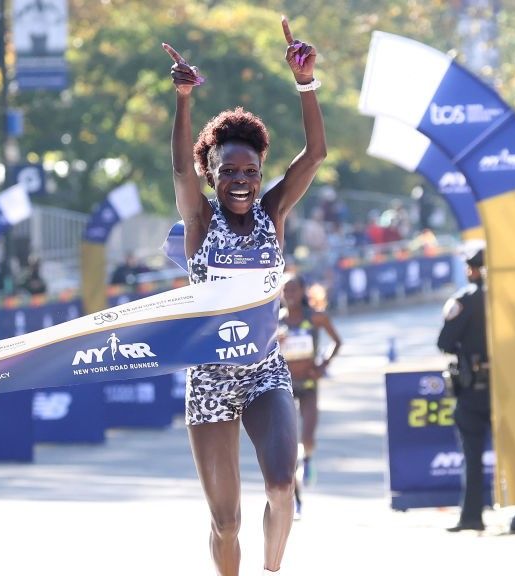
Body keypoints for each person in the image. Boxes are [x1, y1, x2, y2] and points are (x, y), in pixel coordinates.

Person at [163, 15, 326, 575]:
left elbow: (316, 155)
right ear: (211, 175)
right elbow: (180, 164)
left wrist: (306, 83)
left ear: (260, 173)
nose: (240, 179)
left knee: (283, 487)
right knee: (226, 523)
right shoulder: (198, 222)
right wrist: (184, 98)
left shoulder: (273, 213)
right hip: (209, 377)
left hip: (263, 370)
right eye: (227, 170)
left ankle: (273, 571)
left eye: (250, 170)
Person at [278, 274, 342, 520]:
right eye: (285, 290)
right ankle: (296, 499)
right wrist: (275, 341)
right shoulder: (275, 321)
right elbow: (260, 349)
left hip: (309, 384)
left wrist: (323, 365)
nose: (289, 295)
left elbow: (337, 342)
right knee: (286, 445)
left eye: (294, 290)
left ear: (303, 291)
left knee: (307, 436)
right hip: (284, 385)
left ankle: (309, 458)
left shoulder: (316, 317)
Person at [437, 248, 490, 532]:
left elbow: (445, 342)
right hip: (508, 387)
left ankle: (471, 515)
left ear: (471, 269)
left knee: (472, 456)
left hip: (473, 388)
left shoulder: (465, 301)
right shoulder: (506, 298)